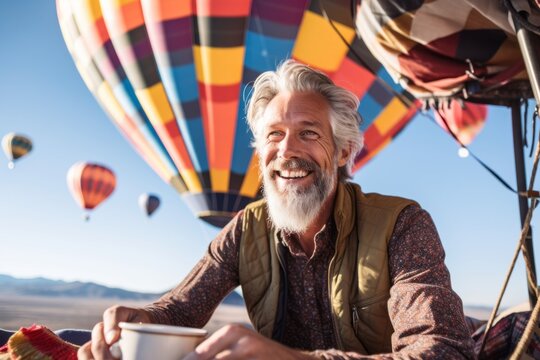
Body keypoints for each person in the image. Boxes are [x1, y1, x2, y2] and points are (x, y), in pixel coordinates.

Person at [78, 60, 476, 359]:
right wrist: (141, 321)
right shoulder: (246, 229)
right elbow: (181, 308)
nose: (287, 152)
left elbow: (441, 351)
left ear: (343, 152)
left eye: (308, 133)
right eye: (274, 135)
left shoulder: (401, 224)